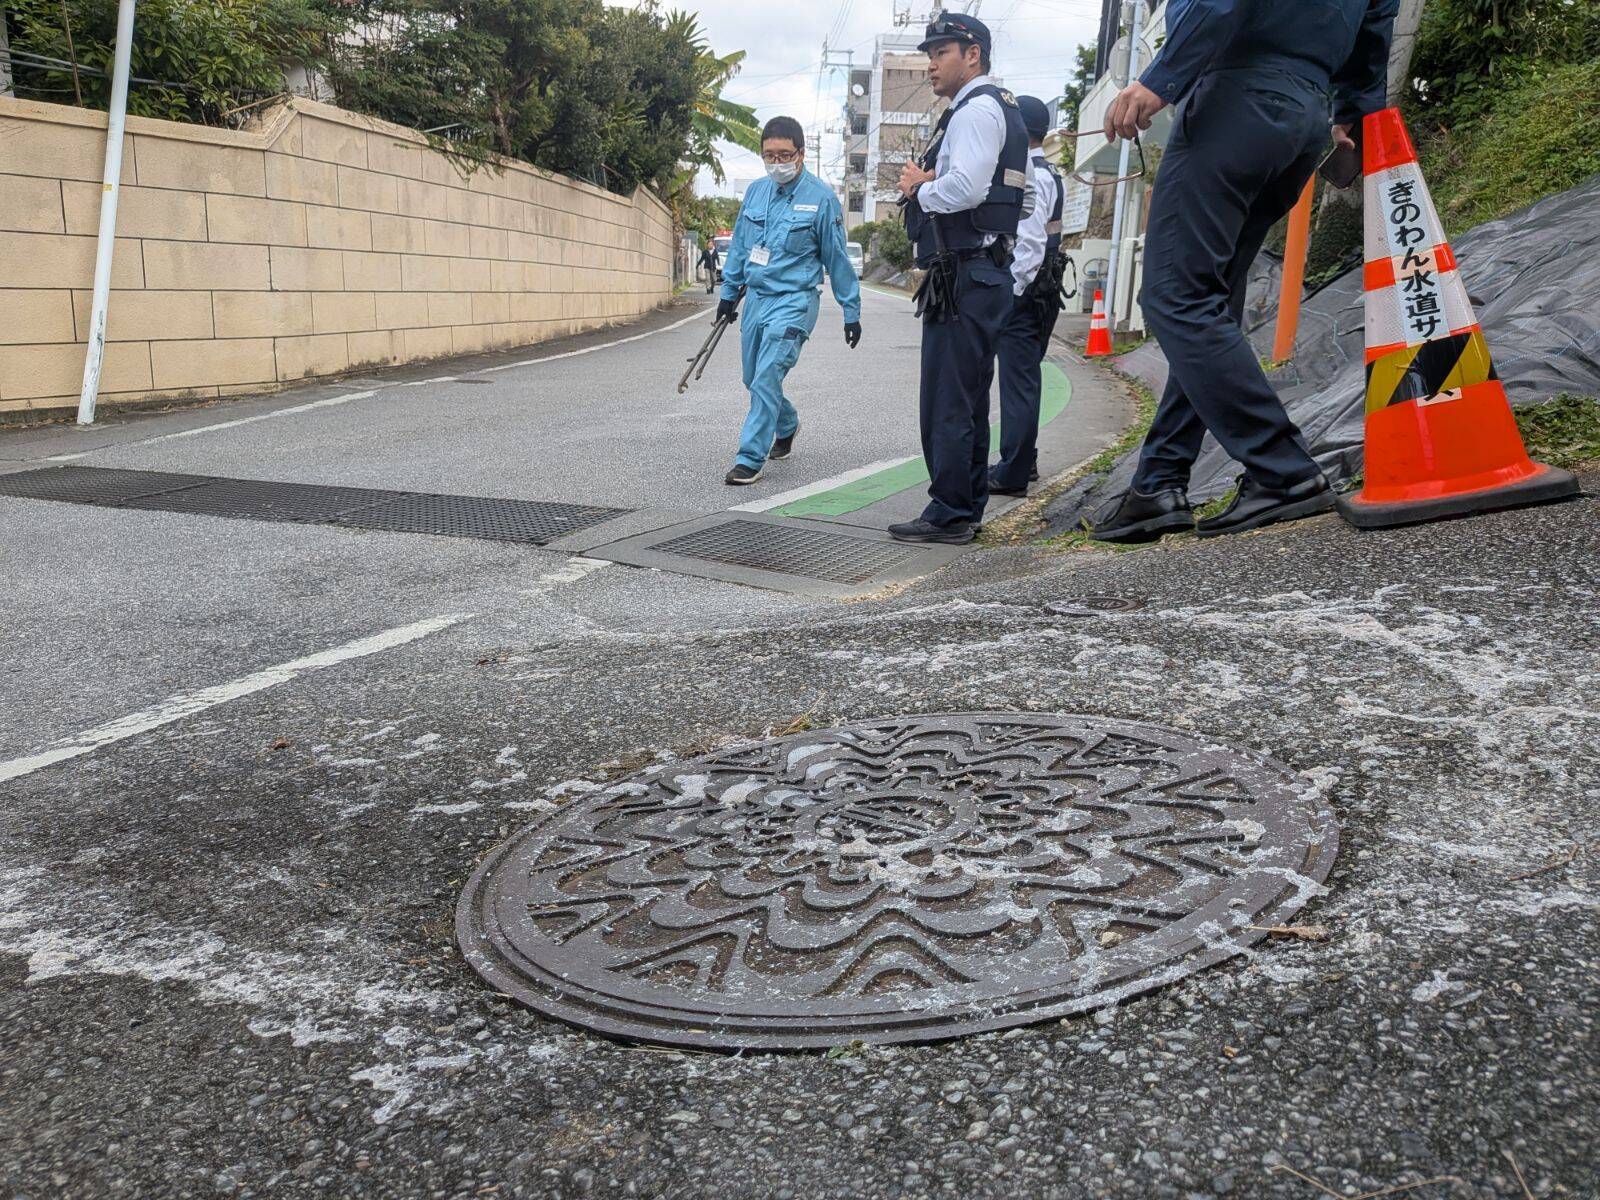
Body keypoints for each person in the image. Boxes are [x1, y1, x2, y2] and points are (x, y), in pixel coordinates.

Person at [1089, 0, 1399, 542]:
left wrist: (1160, 78)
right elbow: (1374, 28)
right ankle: (1158, 483)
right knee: (1210, 300)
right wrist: (1355, 114)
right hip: (1305, 118)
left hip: (1235, 99)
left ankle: (1284, 471)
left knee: (1175, 296)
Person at [889, 11, 1033, 545]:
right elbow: (1023, 197)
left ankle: (949, 512)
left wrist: (919, 187)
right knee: (969, 397)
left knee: (947, 399)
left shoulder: (974, 112)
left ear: (972, 55)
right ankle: (965, 505)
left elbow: (967, 190)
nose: (930, 64)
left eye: (940, 52)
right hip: (985, 272)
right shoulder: (1005, 110)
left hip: (965, 273)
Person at [717, 116, 863, 486]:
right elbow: (739, 248)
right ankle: (787, 424)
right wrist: (728, 294)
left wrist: (851, 311)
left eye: (784, 154)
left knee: (767, 374)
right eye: (769, 155)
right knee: (753, 377)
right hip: (757, 300)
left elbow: (837, 258)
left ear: (800, 154)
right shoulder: (754, 193)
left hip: (795, 300)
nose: (777, 162)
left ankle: (750, 457)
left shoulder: (821, 199)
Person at [990, 94, 1064, 498]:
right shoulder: (1049, 170)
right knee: (1024, 379)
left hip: (1027, 291)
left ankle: (1013, 471)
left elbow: (1030, 242)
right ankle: (1023, 460)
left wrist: (1011, 293)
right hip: (1043, 290)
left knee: (1018, 382)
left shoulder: (1031, 172)